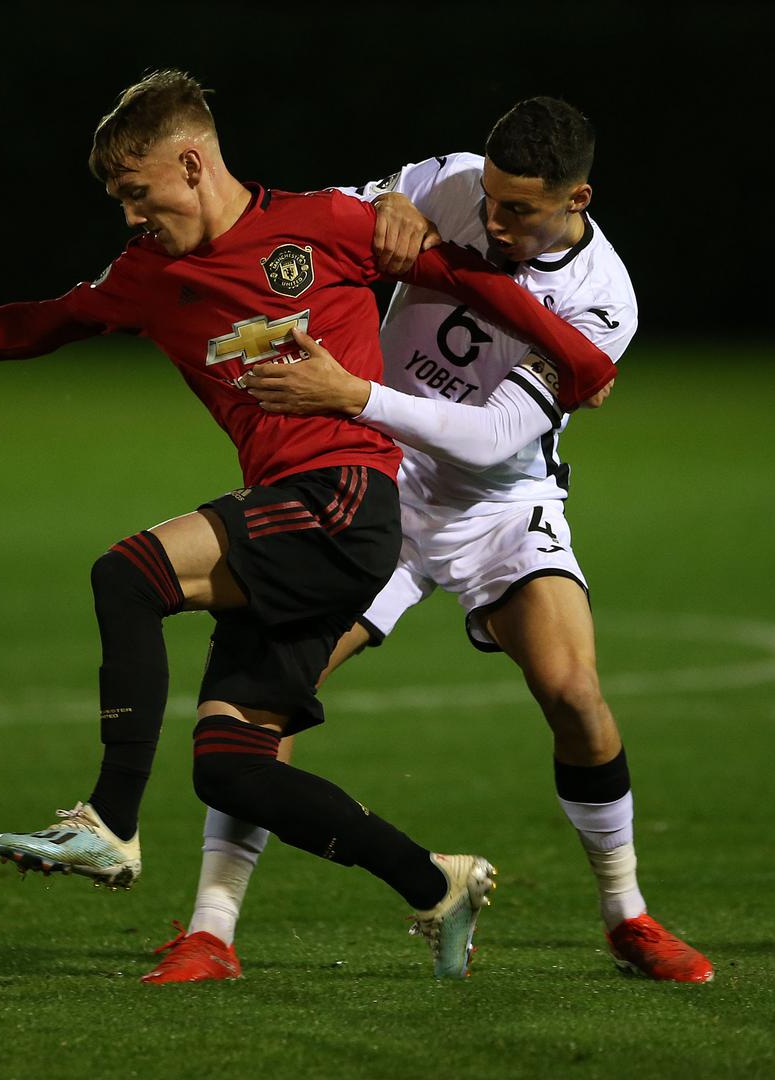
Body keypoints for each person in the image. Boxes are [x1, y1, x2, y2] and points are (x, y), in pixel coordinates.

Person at [0, 72, 616, 979]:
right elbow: (32, 324)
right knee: (231, 764)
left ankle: (109, 822)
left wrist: (578, 360)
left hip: (342, 498)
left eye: (136, 192)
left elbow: (473, 283)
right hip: (300, 524)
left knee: (127, 574)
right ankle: (433, 881)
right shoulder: (151, 275)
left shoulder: (317, 228)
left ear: (190, 163)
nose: (131, 216)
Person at [144, 97, 713, 985]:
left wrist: (350, 393)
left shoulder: (603, 300)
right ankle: (211, 932)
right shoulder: (447, 183)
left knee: (572, 690)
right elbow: (301, 228)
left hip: (499, 500)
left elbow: (490, 437)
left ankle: (627, 916)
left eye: (518, 210)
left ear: (578, 198)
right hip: (372, 481)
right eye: (487, 198)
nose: (492, 220)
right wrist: (384, 204)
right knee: (269, 699)